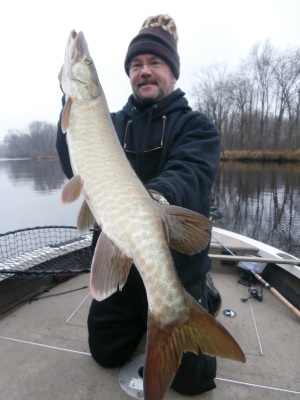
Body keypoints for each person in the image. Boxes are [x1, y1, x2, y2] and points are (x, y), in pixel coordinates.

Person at [56, 14, 221, 396]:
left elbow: (190, 174)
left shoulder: (196, 126)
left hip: (177, 264)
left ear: (173, 73)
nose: (144, 71)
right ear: (129, 74)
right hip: (123, 271)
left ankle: (200, 296)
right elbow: (71, 162)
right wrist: (65, 98)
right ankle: (141, 313)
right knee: (105, 351)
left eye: (155, 63)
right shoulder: (109, 122)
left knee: (193, 383)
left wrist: (150, 204)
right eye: (136, 65)